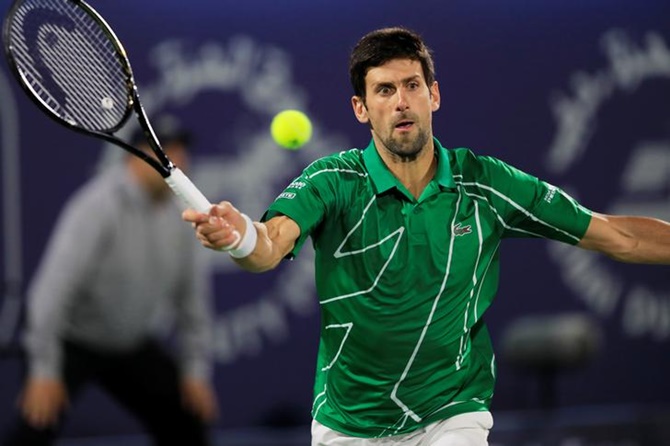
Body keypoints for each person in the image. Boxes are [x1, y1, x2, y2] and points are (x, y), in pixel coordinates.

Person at [183, 27, 670, 446]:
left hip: (451, 411)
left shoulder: (486, 183)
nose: (401, 102)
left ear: (433, 95)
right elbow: (269, 245)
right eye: (384, 90)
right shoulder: (331, 181)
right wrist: (239, 237)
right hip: (348, 423)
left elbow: (616, 235)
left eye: (412, 85)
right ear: (361, 108)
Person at [3, 115, 218, 446]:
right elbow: (50, 294)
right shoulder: (96, 206)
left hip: (131, 344)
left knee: (187, 420)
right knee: (36, 424)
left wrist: (195, 372)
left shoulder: (183, 214)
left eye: (180, 152)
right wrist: (44, 370)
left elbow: (193, 303)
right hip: (71, 342)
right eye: (166, 153)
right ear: (135, 156)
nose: (178, 162)